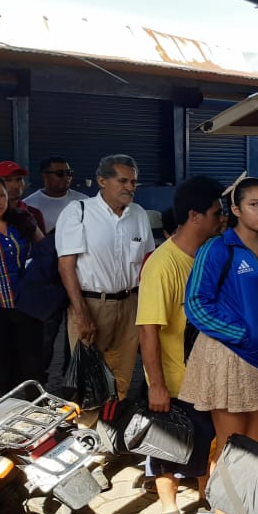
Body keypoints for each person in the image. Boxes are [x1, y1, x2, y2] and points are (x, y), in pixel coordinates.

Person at [180, 176, 258, 514]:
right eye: (254, 204)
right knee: (231, 446)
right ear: (236, 211)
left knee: (257, 448)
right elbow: (196, 302)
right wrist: (242, 333)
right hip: (228, 358)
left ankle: (242, 513)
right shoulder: (218, 248)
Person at [135, 176, 224, 514]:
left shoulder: (212, 252)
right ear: (194, 215)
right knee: (167, 450)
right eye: (217, 213)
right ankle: (169, 511)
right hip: (174, 380)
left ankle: (211, 501)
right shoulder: (162, 265)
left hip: (211, 376)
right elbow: (148, 331)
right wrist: (157, 385)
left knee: (215, 444)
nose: (223, 219)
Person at [57, 154, 155, 400]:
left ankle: (110, 431)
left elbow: (148, 264)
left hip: (131, 304)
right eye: (123, 181)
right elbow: (66, 267)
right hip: (92, 305)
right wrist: (82, 314)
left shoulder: (139, 214)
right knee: (89, 381)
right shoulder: (78, 212)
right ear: (102, 180)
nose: (130, 188)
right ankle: (86, 434)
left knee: (121, 380)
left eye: (133, 182)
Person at [0, 172, 44, 395]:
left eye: (0, 195)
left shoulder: (22, 220)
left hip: (27, 308)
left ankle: (36, 419)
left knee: (32, 369)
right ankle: (0, 423)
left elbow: (44, 251)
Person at [22, 155, 87, 233]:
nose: (66, 177)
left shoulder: (84, 201)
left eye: (69, 173)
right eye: (60, 173)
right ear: (44, 175)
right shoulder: (29, 205)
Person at [0, 161, 46, 239]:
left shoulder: (33, 213)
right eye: (7, 180)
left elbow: (44, 247)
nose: (15, 185)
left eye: (18, 179)